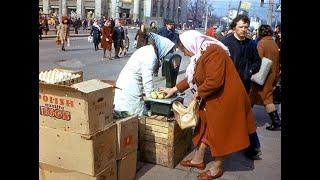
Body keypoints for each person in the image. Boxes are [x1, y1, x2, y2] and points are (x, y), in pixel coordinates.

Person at [160, 30, 257, 179]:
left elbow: (214, 81)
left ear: (190, 45)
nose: (185, 54)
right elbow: (192, 78)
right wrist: (173, 89)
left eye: (184, 50)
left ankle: (217, 168)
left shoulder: (214, 52)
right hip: (215, 97)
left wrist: (199, 93)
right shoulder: (202, 52)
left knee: (220, 134)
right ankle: (198, 160)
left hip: (226, 99)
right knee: (205, 128)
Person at [221, 14, 262, 159]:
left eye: (246, 27)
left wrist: (250, 70)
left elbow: (257, 62)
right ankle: (225, 143)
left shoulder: (251, 44)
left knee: (245, 116)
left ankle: (252, 148)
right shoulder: (226, 42)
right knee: (228, 116)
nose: (244, 29)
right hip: (228, 87)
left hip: (245, 86)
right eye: (241, 27)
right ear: (234, 28)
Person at [113, 33, 175, 116]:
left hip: (129, 82)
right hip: (129, 85)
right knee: (132, 113)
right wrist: (152, 96)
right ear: (163, 50)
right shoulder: (151, 56)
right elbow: (147, 80)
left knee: (131, 110)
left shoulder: (150, 50)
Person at [249, 25, 281, 131]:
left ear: (260, 33)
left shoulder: (262, 43)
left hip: (261, 77)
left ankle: (276, 122)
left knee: (262, 98)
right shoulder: (274, 44)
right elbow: (277, 64)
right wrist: (276, 79)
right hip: (271, 76)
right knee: (263, 97)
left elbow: (258, 60)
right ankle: (276, 121)